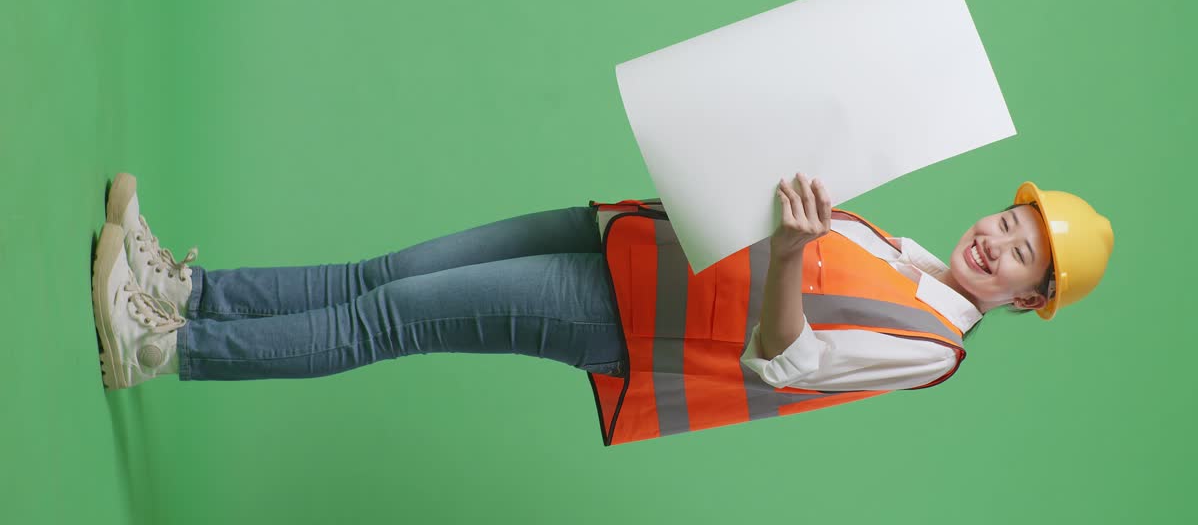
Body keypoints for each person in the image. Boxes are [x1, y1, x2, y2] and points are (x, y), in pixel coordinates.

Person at [91, 171, 1113, 447]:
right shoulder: (906, 251)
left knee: (389, 319)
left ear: (1027, 300)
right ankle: (188, 293)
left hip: (631, 317)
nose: (995, 240)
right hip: (633, 237)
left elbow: (787, 359)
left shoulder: (931, 347)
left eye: (1019, 255)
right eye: (1007, 221)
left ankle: (160, 348)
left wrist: (787, 250)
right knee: (383, 275)